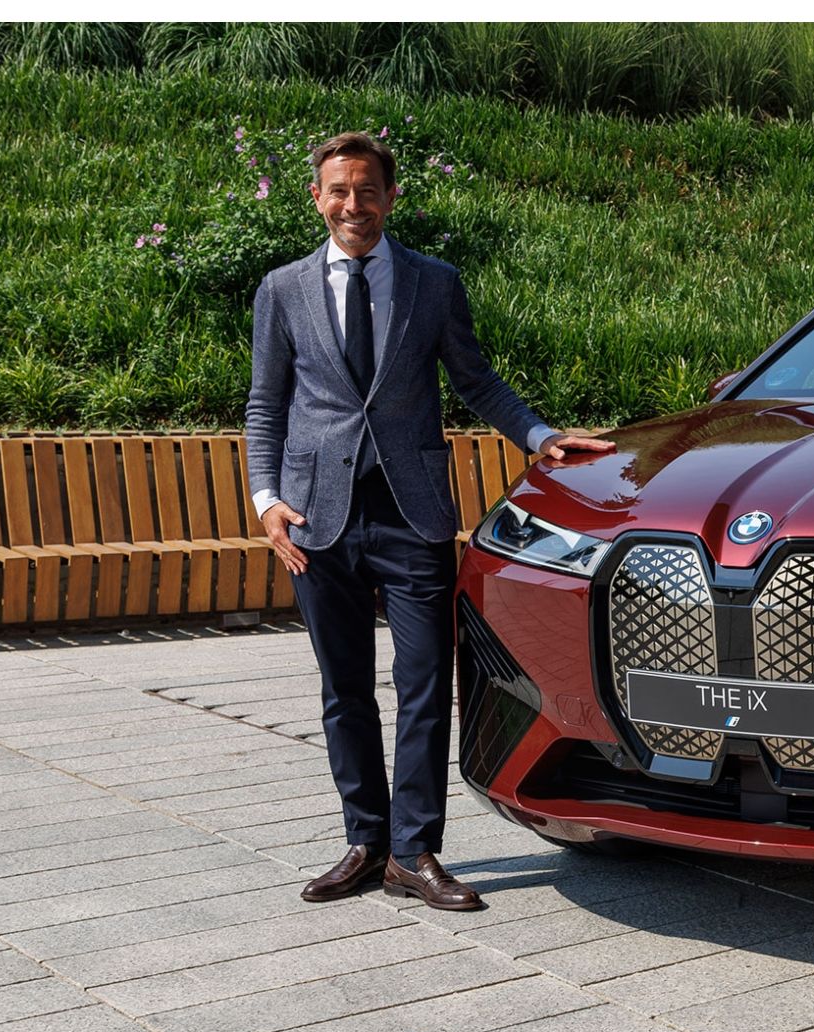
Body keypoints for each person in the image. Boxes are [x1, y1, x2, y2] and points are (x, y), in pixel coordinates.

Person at [246, 131, 613, 911]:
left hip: (412, 518)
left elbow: (477, 381)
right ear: (317, 198)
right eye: (339, 191)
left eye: (368, 190)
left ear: (391, 197)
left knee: (424, 684)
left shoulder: (432, 282)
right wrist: (265, 500)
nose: (354, 204)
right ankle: (365, 841)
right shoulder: (282, 289)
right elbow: (264, 406)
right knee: (344, 689)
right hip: (318, 519)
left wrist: (544, 437)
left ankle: (415, 852)